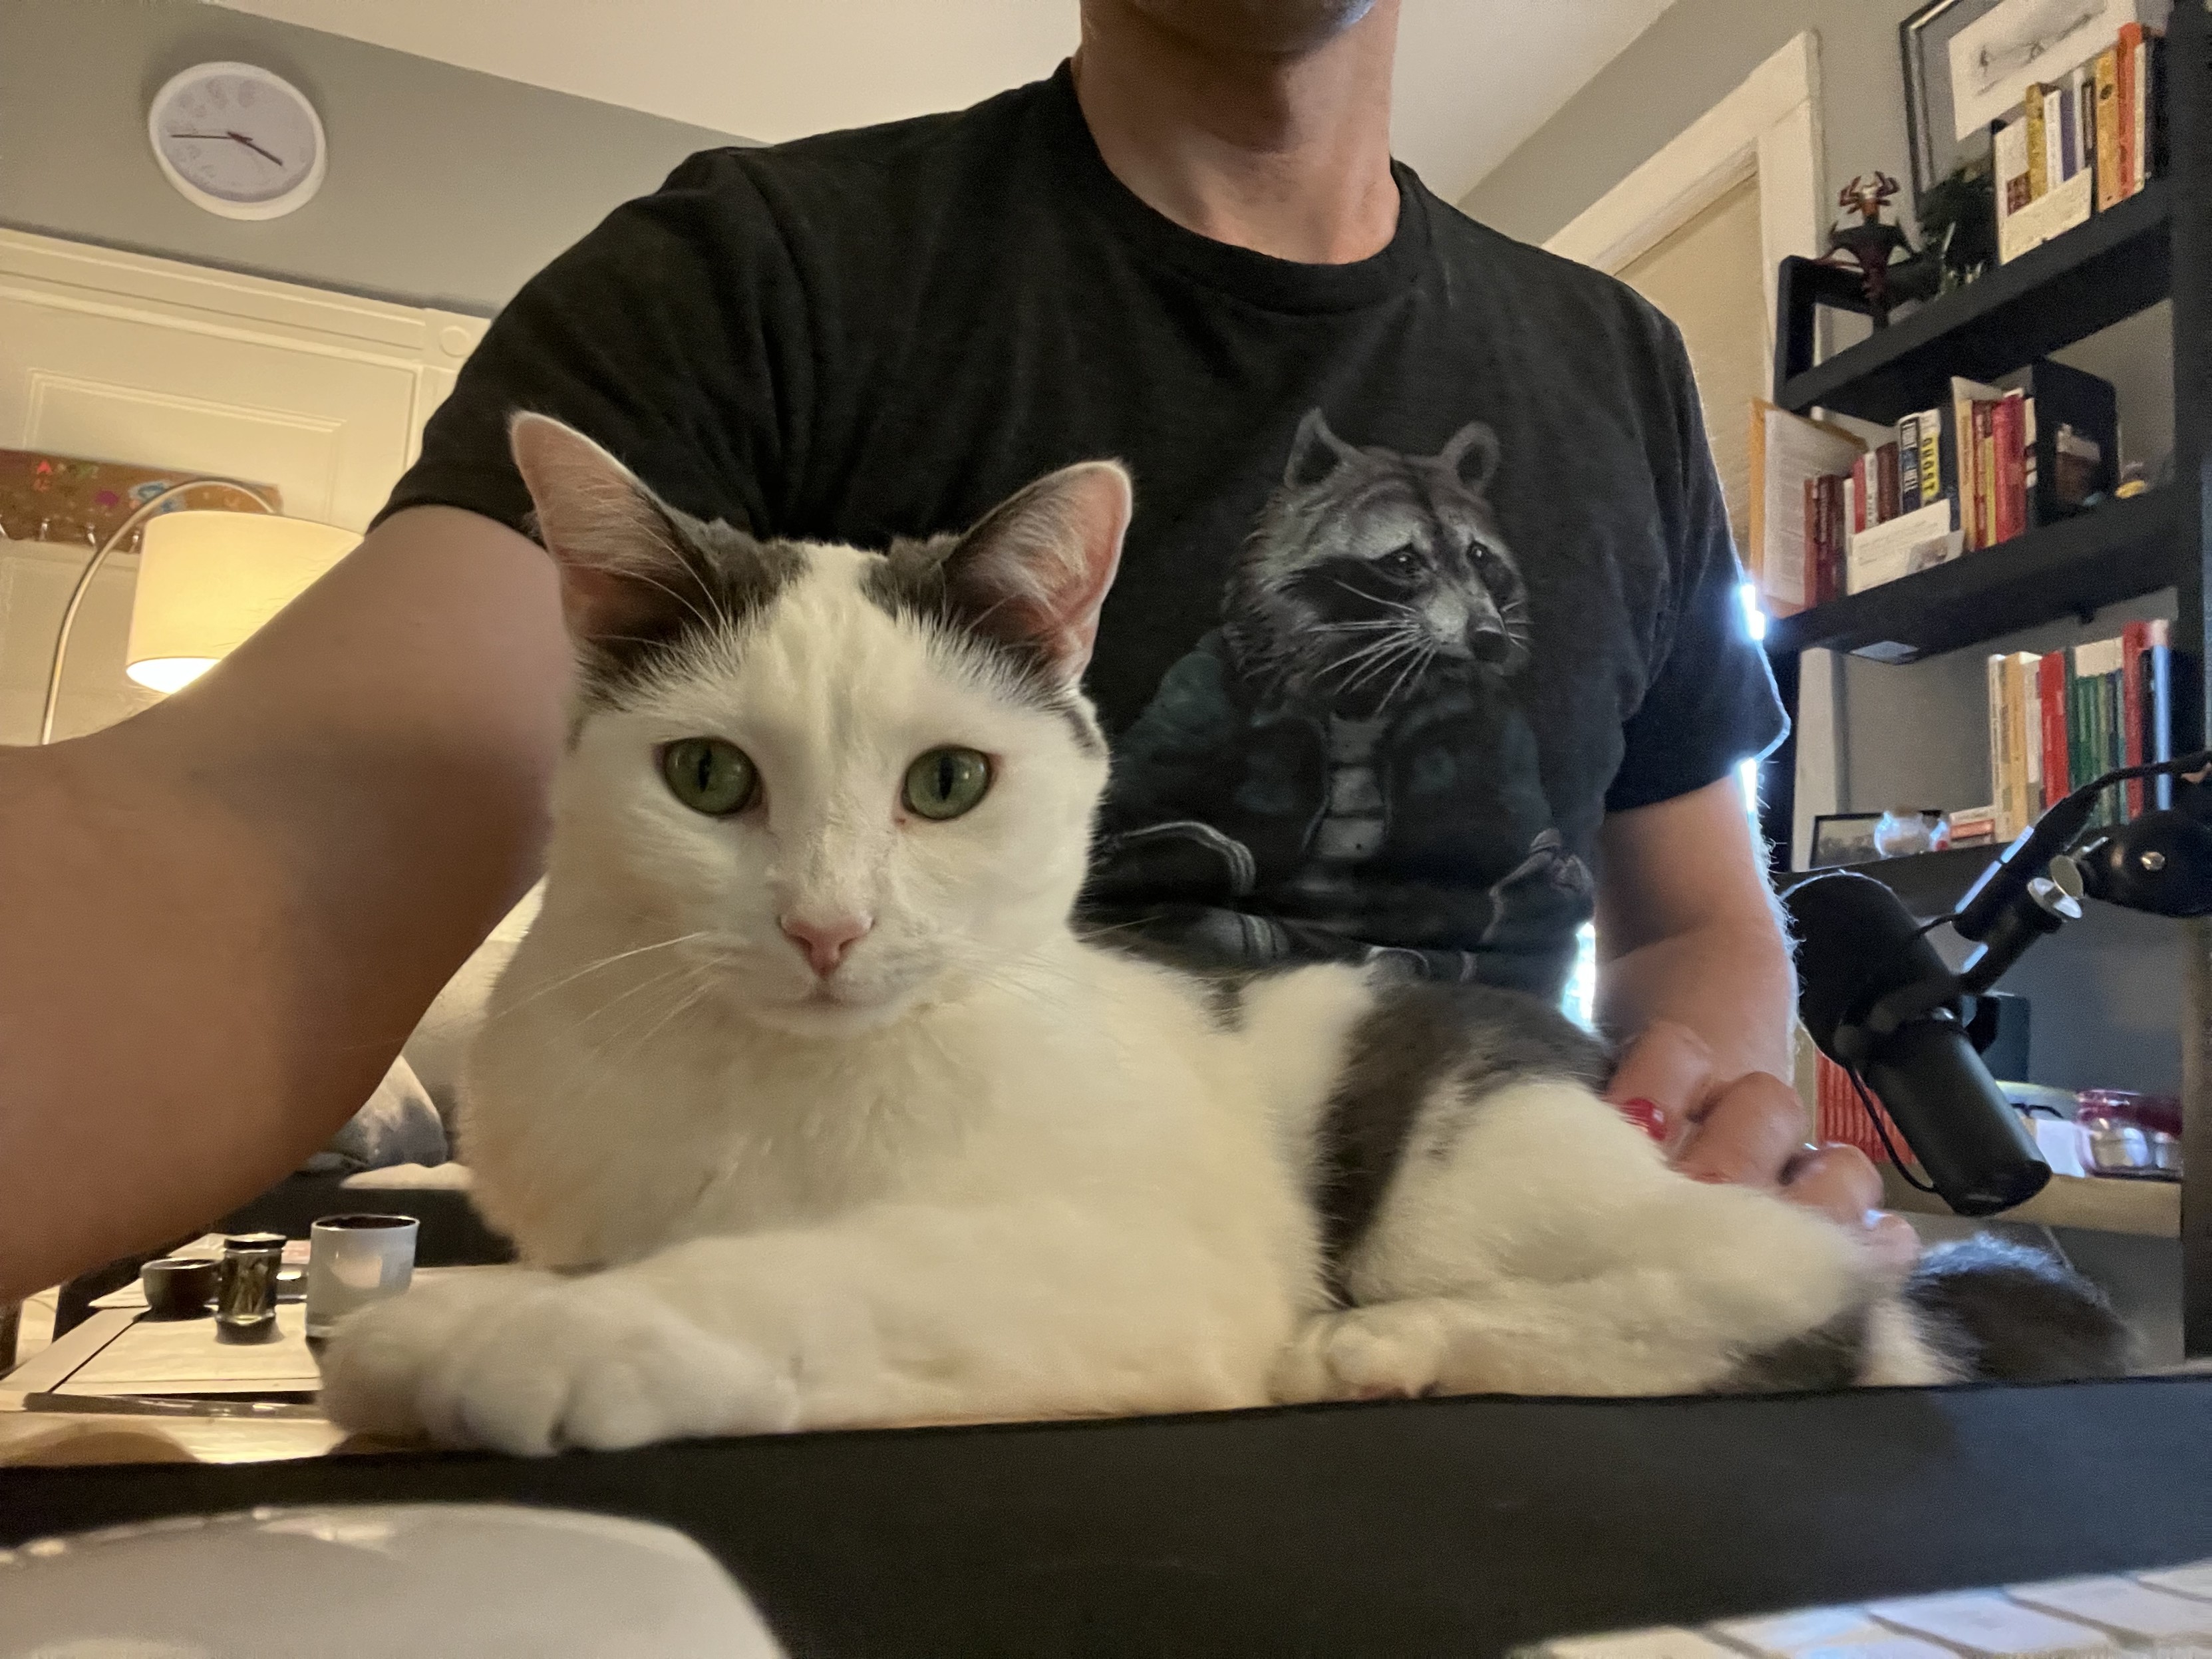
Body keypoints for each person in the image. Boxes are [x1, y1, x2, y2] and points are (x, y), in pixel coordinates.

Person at [0, 0, 1914, 1303]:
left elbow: (1692, 924)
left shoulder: (1621, 370)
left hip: (1487, 1310)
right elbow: (263, 841)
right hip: (922, 1345)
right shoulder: (762, 283)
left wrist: (1689, 1137)